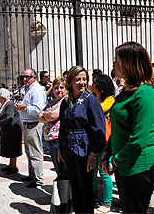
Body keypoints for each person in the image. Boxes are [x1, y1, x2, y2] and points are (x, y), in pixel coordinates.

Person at [100, 42, 154, 213]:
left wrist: (114, 162)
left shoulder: (144, 94)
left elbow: (139, 139)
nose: (113, 65)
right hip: (123, 164)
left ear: (128, 64)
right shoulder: (125, 92)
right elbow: (117, 128)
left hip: (137, 167)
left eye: (116, 61)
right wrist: (107, 154)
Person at [58, 65, 106, 213]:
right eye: (78, 79)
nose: (82, 83)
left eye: (84, 79)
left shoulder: (90, 100)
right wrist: (61, 147)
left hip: (84, 149)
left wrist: (93, 153)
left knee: (85, 187)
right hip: (69, 148)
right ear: (70, 82)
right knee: (74, 185)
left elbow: (98, 128)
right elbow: (63, 125)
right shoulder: (66, 102)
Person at [15, 68, 46, 188]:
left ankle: (38, 179)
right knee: (29, 152)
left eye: (27, 77)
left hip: (34, 124)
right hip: (27, 123)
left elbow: (38, 109)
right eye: (24, 77)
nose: (24, 79)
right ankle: (32, 175)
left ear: (34, 77)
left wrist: (24, 107)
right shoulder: (28, 89)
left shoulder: (37, 90)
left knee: (36, 153)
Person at [91, 74, 115, 214]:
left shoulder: (110, 100)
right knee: (93, 170)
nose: (91, 84)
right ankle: (93, 196)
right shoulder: (94, 98)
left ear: (100, 87)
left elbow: (98, 111)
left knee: (105, 172)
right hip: (94, 140)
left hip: (105, 141)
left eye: (94, 83)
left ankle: (107, 202)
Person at [38, 77, 66, 176]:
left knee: (61, 167)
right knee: (57, 166)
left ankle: (65, 189)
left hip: (57, 139)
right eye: (56, 87)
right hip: (49, 138)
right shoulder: (52, 102)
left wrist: (46, 114)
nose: (59, 90)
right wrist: (47, 115)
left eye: (62, 87)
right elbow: (40, 117)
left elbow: (54, 115)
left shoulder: (64, 101)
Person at [0, 88, 22, 174]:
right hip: (9, 130)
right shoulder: (5, 104)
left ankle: (14, 167)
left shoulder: (9, 104)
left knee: (13, 149)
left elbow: (10, 117)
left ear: (2, 97)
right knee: (10, 148)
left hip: (13, 130)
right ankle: (10, 165)